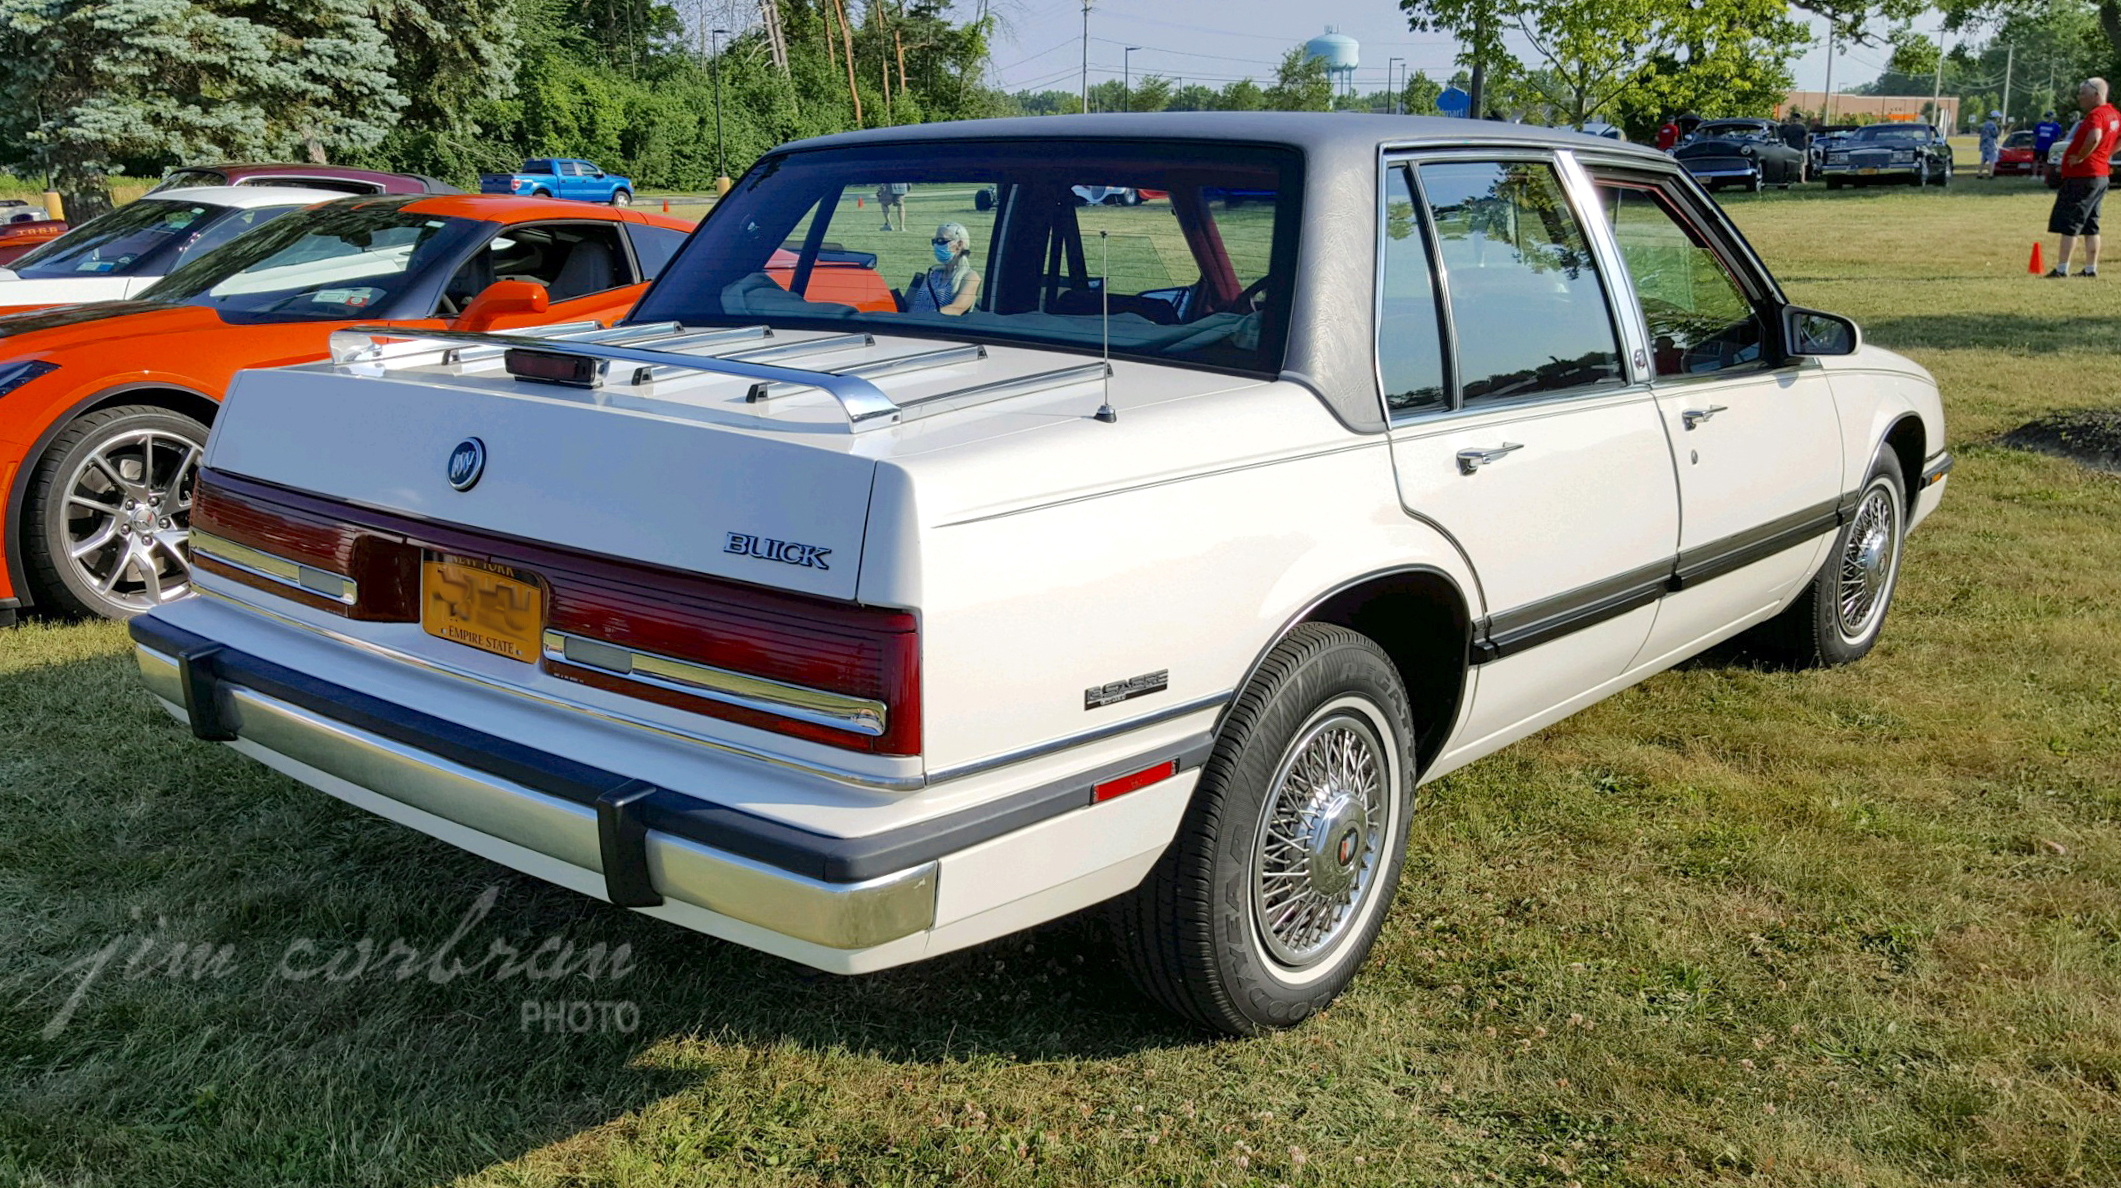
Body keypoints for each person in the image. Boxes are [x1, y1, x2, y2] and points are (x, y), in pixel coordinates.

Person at [2046, 78, 2120, 278]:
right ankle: (2090, 268)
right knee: (2091, 224)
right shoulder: (2114, 115)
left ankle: (2062, 268)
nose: (2079, 98)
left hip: (2083, 175)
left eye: (2083, 93)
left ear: (2097, 94)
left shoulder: (2096, 115)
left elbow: (2094, 137)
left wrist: (2080, 156)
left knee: (2070, 222)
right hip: (2100, 175)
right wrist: (2106, 154)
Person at [906, 221, 981, 314]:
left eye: (941, 241)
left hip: (934, 326)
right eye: (934, 241)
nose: (937, 245)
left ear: (960, 244)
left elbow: (958, 308)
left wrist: (929, 317)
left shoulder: (970, 277)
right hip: (910, 325)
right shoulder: (932, 274)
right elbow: (907, 304)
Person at [2034, 109, 2065, 178]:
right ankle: (2034, 175)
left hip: (2048, 146)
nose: (2047, 118)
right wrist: (2033, 143)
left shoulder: (2055, 126)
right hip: (2039, 145)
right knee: (2036, 160)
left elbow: (2058, 136)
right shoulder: (2040, 124)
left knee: (2045, 161)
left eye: (2048, 116)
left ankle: (2042, 175)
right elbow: (2035, 134)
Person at [1979, 110, 2003, 178]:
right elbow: (1995, 134)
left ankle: (1979, 174)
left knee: (1983, 160)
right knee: (1992, 160)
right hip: (1991, 144)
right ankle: (1991, 174)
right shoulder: (1992, 125)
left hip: (1984, 144)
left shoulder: (1985, 124)